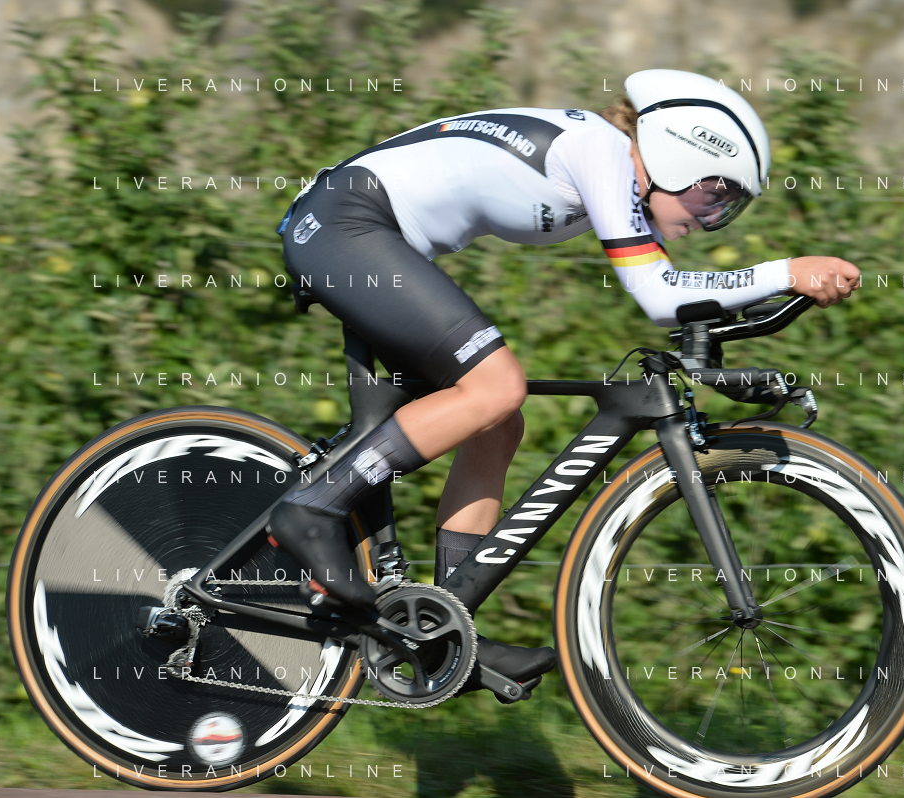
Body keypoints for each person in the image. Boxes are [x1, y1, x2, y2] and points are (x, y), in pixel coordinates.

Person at [268, 69, 861, 699]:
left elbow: (682, 298)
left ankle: (445, 623)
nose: (712, 218)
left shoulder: (616, 171)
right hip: (346, 224)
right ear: (673, 157)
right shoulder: (600, 152)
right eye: (713, 196)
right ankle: (312, 508)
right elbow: (659, 296)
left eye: (727, 208)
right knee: (497, 386)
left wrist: (772, 301)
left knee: (497, 421)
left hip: (368, 233)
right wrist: (786, 271)